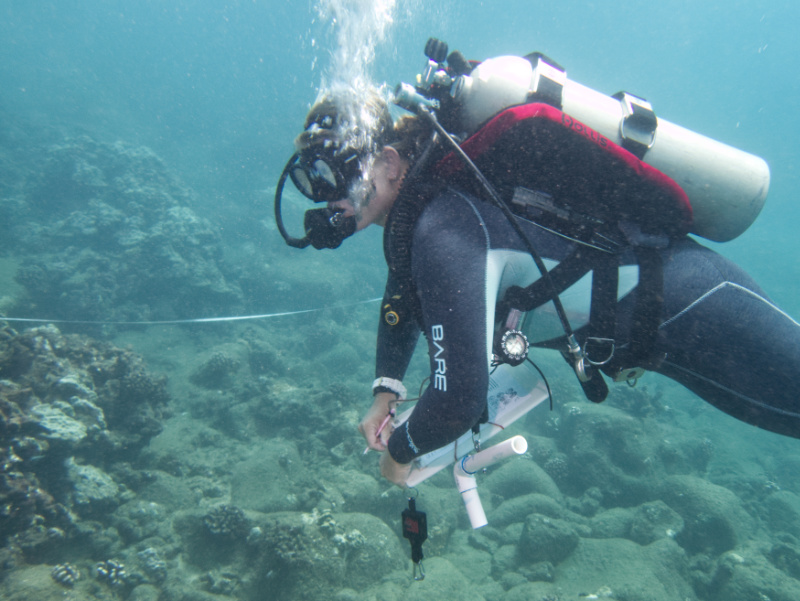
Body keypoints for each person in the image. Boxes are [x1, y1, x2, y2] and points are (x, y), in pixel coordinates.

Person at [278, 66, 800, 488]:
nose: (328, 200)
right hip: (657, 335)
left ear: (391, 163)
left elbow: (459, 399)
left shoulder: (443, 227)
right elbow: (404, 292)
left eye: (336, 179)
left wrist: (400, 454)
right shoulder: (430, 214)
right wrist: (384, 391)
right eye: (313, 184)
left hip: (695, 301)